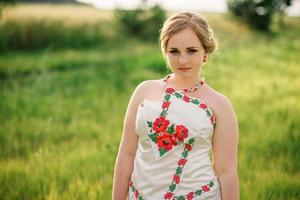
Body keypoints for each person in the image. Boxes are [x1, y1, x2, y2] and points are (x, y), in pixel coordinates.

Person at [112, 11, 239, 200]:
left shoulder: (220, 105)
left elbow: (226, 172)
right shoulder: (144, 91)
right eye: (174, 51)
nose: (183, 60)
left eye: (191, 50)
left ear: (205, 52)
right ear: (165, 52)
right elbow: (126, 154)